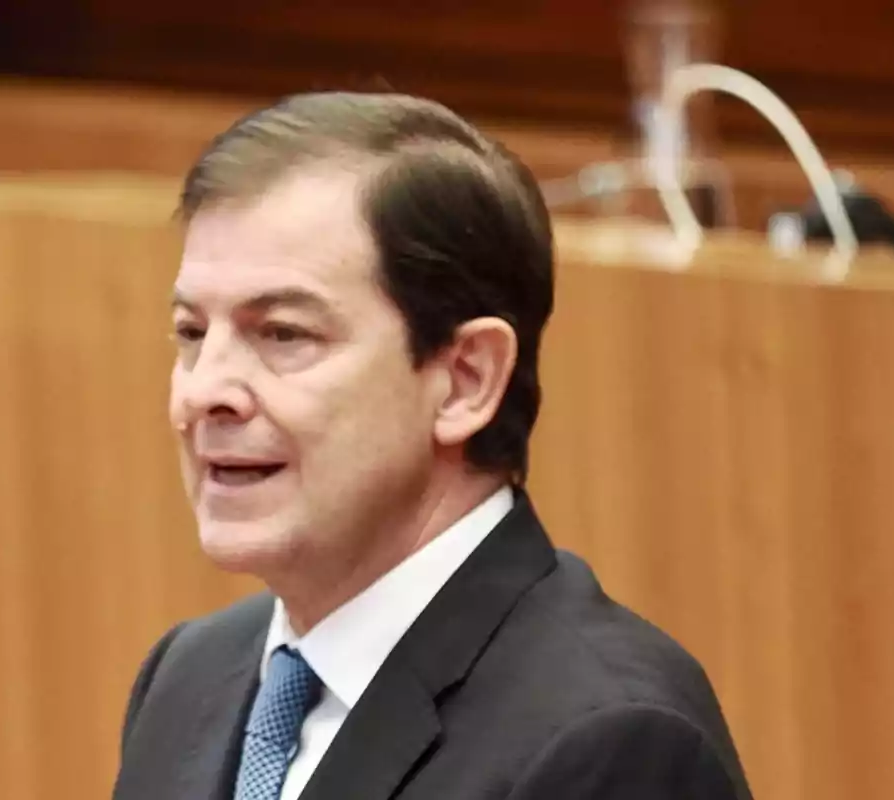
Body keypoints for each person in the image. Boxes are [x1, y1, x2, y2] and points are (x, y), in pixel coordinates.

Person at [112, 91, 752, 800]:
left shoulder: (610, 743)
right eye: (193, 333)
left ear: (464, 381)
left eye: (284, 334)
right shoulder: (188, 677)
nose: (205, 392)